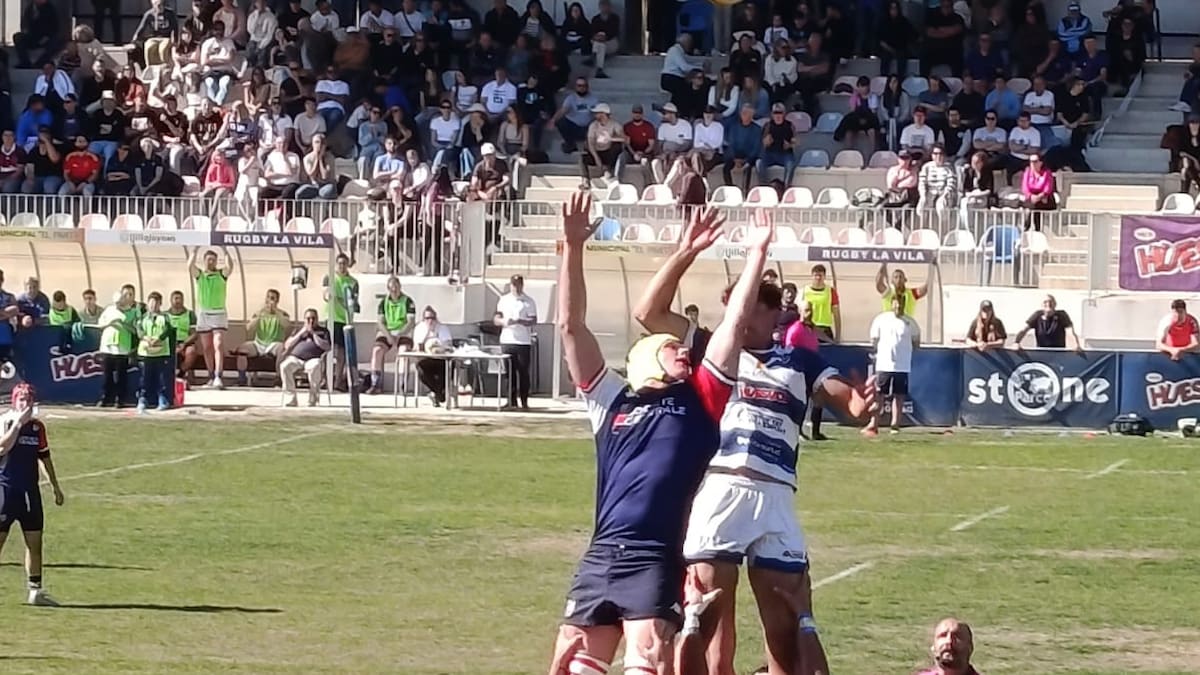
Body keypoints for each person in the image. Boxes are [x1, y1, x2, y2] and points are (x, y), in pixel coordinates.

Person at [631, 206, 875, 675]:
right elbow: (648, 312)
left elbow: (847, 401)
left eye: (746, 306)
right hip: (720, 488)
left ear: (771, 313)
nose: (736, 315)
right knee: (706, 621)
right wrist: (686, 252)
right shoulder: (713, 347)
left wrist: (865, 403)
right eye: (731, 306)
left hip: (776, 495)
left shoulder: (797, 361)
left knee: (784, 630)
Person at [551, 192, 769, 675]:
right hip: (600, 553)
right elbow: (570, 326)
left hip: (654, 560)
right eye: (675, 347)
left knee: (645, 665)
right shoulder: (610, 401)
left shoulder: (700, 401)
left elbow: (733, 327)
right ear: (647, 354)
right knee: (573, 667)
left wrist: (756, 256)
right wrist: (572, 248)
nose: (685, 352)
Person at [0, 384, 65, 606]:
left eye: (28, 399)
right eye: (21, 399)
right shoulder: (6, 421)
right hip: (5, 491)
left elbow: (44, 457)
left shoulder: (38, 428)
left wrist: (55, 486)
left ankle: (35, 591)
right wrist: (18, 424)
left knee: (34, 543)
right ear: (14, 401)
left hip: (29, 492)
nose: (25, 403)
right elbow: (2, 448)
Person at [866, 293, 920, 436]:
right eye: (896, 303)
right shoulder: (881, 319)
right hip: (884, 364)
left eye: (901, 303)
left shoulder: (910, 322)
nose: (898, 306)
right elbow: (874, 340)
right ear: (892, 304)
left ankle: (895, 425)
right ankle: (874, 424)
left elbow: (916, 342)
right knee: (879, 395)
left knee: (899, 395)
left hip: (902, 366)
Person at [802, 264, 840, 440]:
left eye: (821, 275)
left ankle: (815, 424)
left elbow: (836, 313)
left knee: (822, 377)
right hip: (809, 330)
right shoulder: (805, 291)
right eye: (815, 274)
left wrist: (838, 335)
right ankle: (805, 420)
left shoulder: (830, 291)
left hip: (825, 330)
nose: (818, 277)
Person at [188, 248, 233, 389]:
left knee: (218, 343)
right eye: (208, 259)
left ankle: (219, 376)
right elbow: (190, 266)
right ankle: (211, 376)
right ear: (204, 261)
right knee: (207, 347)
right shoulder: (200, 275)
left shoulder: (221, 274)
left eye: (213, 259)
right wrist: (194, 250)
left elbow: (230, 266)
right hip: (203, 313)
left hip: (218, 313)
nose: (211, 262)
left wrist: (225, 250)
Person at [494, 274, 537, 410]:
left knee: (523, 372)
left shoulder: (528, 301)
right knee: (509, 372)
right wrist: (504, 322)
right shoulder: (504, 300)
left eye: (518, 284)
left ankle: (524, 401)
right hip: (507, 340)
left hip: (523, 341)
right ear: (510, 285)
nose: (516, 287)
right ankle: (511, 400)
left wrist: (519, 321)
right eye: (514, 285)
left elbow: (533, 320)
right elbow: (496, 318)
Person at [368, 276, 416, 395]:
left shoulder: (408, 301)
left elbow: (410, 322)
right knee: (377, 351)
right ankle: (376, 384)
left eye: (396, 287)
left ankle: (402, 386)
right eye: (392, 288)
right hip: (387, 332)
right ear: (388, 289)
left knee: (403, 352)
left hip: (403, 332)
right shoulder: (383, 302)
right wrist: (389, 336)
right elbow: (380, 322)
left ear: (400, 287)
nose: (394, 291)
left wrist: (399, 335)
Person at [235, 289, 290, 386]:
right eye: (268, 298)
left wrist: (276, 312)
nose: (269, 301)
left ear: (277, 301)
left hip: (274, 343)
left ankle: (278, 378)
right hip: (258, 343)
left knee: (282, 349)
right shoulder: (259, 313)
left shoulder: (282, 314)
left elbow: (286, 325)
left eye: (272, 298)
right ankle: (241, 378)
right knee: (242, 349)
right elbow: (248, 328)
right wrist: (259, 316)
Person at [279, 309, 331, 407]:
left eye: (313, 318)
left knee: (315, 366)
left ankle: (313, 398)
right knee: (284, 366)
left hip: (313, 358)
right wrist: (301, 333)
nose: (310, 321)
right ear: (304, 320)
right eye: (308, 319)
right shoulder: (298, 330)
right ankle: (291, 398)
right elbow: (287, 345)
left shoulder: (323, 331)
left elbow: (327, 347)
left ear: (317, 319)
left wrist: (313, 334)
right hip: (296, 358)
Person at [323, 253, 359, 390]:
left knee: (341, 352)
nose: (342, 266)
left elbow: (352, 303)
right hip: (331, 317)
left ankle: (338, 381)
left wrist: (339, 300)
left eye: (344, 263)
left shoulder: (353, 282)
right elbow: (326, 295)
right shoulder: (329, 277)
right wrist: (332, 297)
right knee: (327, 350)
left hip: (345, 319)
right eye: (340, 263)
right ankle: (325, 379)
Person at [97, 289, 137, 407]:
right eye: (116, 303)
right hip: (107, 346)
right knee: (107, 375)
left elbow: (134, 330)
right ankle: (106, 398)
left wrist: (122, 324)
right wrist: (110, 323)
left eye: (120, 302)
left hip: (122, 348)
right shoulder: (109, 310)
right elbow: (100, 324)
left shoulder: (132, 312)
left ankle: (120, 399)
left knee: (121, 375)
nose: (118, 305)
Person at [135, 292, 173, 413]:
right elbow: (139, 330)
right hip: (145, 353)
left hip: (161, 352)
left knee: (161, 379)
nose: (153, 305)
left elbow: (168, 329)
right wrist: (146, 339)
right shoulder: (143, 317)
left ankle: (163, 400)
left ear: (160, 304)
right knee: (144, 379)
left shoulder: (165, 317)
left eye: (156, 302)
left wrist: (159, 339)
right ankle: (142, 400)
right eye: (151, 302)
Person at [410, 305, 453, 405]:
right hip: (426, 358)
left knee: (449, 367)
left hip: (441, 359)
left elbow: (448, 345)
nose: (430, 321)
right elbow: (418, 347)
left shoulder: (442, 328)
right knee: (421, 369)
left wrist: (441, 348)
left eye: (432, 318)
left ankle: (436, 395)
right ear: (423, 319)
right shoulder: (419, 328)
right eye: (427, 318)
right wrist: (428, 332)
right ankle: (439, 395)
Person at [166, 290, 199, 386]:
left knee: (191, 352)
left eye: (180, 298)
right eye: (175, 298)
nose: (177, 301)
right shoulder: (165, 315)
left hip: (186, 342)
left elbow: (195, 334)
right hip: (169, 343)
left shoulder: (190, 314)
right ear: (171, 300)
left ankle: (181, 373)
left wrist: (184, 344)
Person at [1020, 152, 1056, 231]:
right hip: (1031, 197)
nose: (1032, 163)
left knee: (1035, 205)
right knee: (1031, 205)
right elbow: (1025, 187)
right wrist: (1031, 196)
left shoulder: (1047, 172)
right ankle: (1031, 228)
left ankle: (1030, 228)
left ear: (1041, 162)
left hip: (1044, 197)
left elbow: (1048, 188)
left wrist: (1040, 196)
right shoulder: (1028, 172)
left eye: (1035, 161)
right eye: (1031, 161)